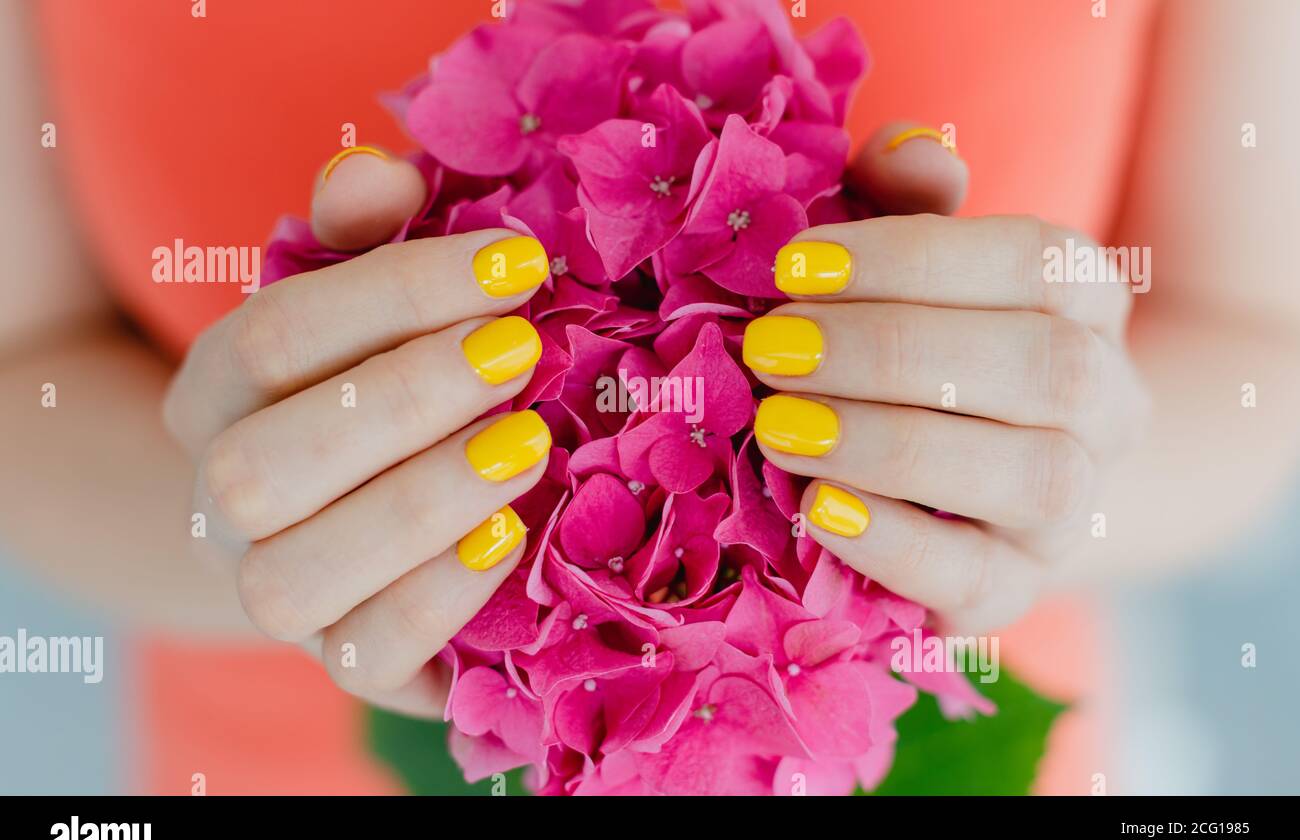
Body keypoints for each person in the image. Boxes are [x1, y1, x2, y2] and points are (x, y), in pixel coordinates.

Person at [3, 0, 1296, 793]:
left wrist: (1063, 478)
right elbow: (24, 376)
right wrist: (244, 514)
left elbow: (1259, 347)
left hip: (898, 731)